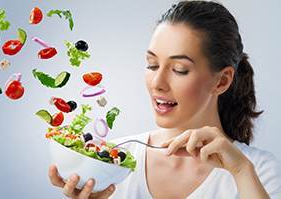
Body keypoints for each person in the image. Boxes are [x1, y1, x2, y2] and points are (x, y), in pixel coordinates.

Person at [48, 1, 281, 198]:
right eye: (152, 64)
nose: (157, 82)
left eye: (179, 69)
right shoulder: (112, 164)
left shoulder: (256, 170)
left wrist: (240, 170)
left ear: (221, 81)